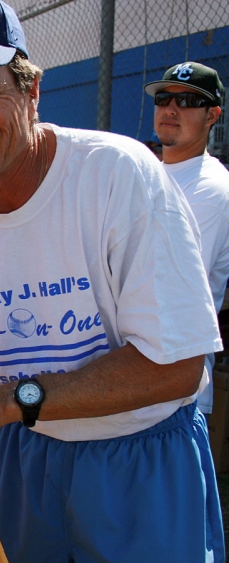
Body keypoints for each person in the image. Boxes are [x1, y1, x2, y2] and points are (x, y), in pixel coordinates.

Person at [0, 1, 224, 563]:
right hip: (26, 458)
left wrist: (3, 404)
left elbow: (178, 369)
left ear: (32, 91)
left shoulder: (117, 176)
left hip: (139, 457)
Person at [145, 61, 229, 418]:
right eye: (164, 98)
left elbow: (167, 284)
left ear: (212, 115)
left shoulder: (211, 188)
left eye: (189, 101)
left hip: (171, 382)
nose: (171, 109)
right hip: (133, 370)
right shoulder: (148, 172)